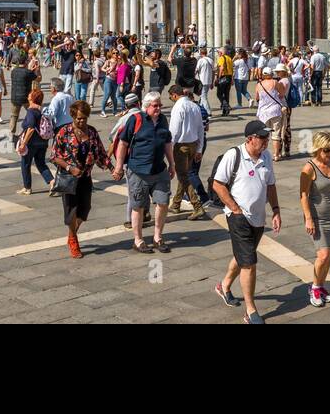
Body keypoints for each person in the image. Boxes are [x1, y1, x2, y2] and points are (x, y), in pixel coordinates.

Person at [212, 120, 281, 324]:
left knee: (243, 255)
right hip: (238, 217)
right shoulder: (234, 155)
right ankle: (251, 311)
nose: (266, 141)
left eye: (267, 137)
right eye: (262, 137)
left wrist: (276, 211)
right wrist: (234, 209)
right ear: (250, 139)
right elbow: (218, 184)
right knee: (249, 263)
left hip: (258, 218)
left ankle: (224, 286)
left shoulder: (266, 157)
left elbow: (271, 185)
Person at [111, 91, 175, 254]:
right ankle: (138, 240)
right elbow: (123, 144)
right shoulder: (135, 119)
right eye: (155, 106)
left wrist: (172, 164)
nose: (159, 108)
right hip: (138, 170)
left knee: (163, 202)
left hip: (159, 170)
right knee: (138, 206)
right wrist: (118, 167)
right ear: (146, 107)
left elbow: (167, 143)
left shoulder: (162, 120)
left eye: (160, 105)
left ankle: (157, 237)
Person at [50, 100, 110, 258]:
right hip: (69, 178)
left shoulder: (92, 132)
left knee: (84, 211)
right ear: (72, 117)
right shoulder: (64, 132)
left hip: (85, 177)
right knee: (72, 211)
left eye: (84, 118)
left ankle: (71, 234)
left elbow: (101, 153)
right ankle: (73, 239)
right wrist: (70, 167)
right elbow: (54, 156)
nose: (81, 121)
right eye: (78, 118)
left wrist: (112, 168)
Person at [300, 130, 330, 308]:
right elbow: (303, 195)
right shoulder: (309, 168)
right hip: (317, 218)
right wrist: (308, 219)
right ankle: (315, 288)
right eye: (326, 150)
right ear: (317, 149)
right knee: (323, 255)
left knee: (329, 256)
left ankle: (321, 286)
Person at [167, 86, 208, 221]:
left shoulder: (178, 107)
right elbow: (200, 129)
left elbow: (174, 130)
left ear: (174, 95)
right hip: (193, 144)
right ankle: (176, 203)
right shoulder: (194, 106)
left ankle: (197, 205)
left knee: (183, 175)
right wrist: (199, 149)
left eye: (170, 96)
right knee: (184, 173)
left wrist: (169, 149)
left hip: (181, 145)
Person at [17, 87, 54, 195]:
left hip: (31, 143)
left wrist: (24, 143)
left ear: (32, 98)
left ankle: (27, 187)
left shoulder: (31, 111)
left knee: (25, 164)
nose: (28, 96)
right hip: (43, 141)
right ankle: (52, 182)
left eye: (30, 94)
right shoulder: (42, 110)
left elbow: (31, 128)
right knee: (41, 163)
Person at [253, 64, 289, 161]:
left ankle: (261, 153)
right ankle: (276, 155)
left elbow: (257, 98)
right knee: (276, 134)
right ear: (271, 74)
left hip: (263, 113)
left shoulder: (258, 85)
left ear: (263, 75)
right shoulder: (275, 82)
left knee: (262, 134)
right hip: (275, 111)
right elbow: (281, 94)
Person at [9, 55, 37, 144]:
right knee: (33, 112)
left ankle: (11, 134)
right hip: (25, 97)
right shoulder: (27, 72)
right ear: (25, 62)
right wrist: (34, 70)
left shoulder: (13, 71)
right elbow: (36, 78)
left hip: (15, 97)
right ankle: (32, 130)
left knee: (14, 116)